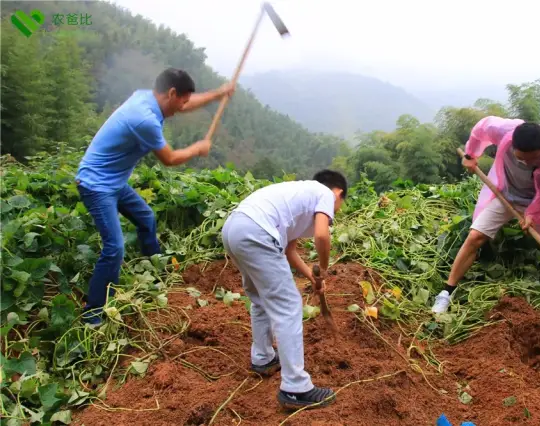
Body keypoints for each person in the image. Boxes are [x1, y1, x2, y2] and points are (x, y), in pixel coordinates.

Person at [76, 67, 236, 326]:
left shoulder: (147, 97)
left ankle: (154, 270)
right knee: (114, 247)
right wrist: (197, 148)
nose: (181, 108)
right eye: (180, 100)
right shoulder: (144, 119)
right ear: (171, 93)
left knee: (146, 218)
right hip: (96, 185)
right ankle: (93, 314)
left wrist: (218, 94)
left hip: (115, 181)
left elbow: (184, 104)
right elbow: (170, 159)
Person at [431, 116, 540, 314]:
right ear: (511, 142)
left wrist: (533, 214)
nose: (527, 163)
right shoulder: (502, 129)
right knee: (475, 236)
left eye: (534, 159)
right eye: (521, 158)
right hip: (507, 195)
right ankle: (446, 293)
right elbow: (480, 129)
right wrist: (471, 155)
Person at [221, 170, 348, 410]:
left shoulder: (297, 196)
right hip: (256, 232)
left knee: (260, 300)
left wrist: (312, 276)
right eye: (339, 206)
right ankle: (296, 388)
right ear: (338, 193)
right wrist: (323, 269)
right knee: (289, 305)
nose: (335, 212)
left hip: (234, 229)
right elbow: (322, 235)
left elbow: (289, 250)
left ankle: (263, 358)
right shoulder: (324, 193)